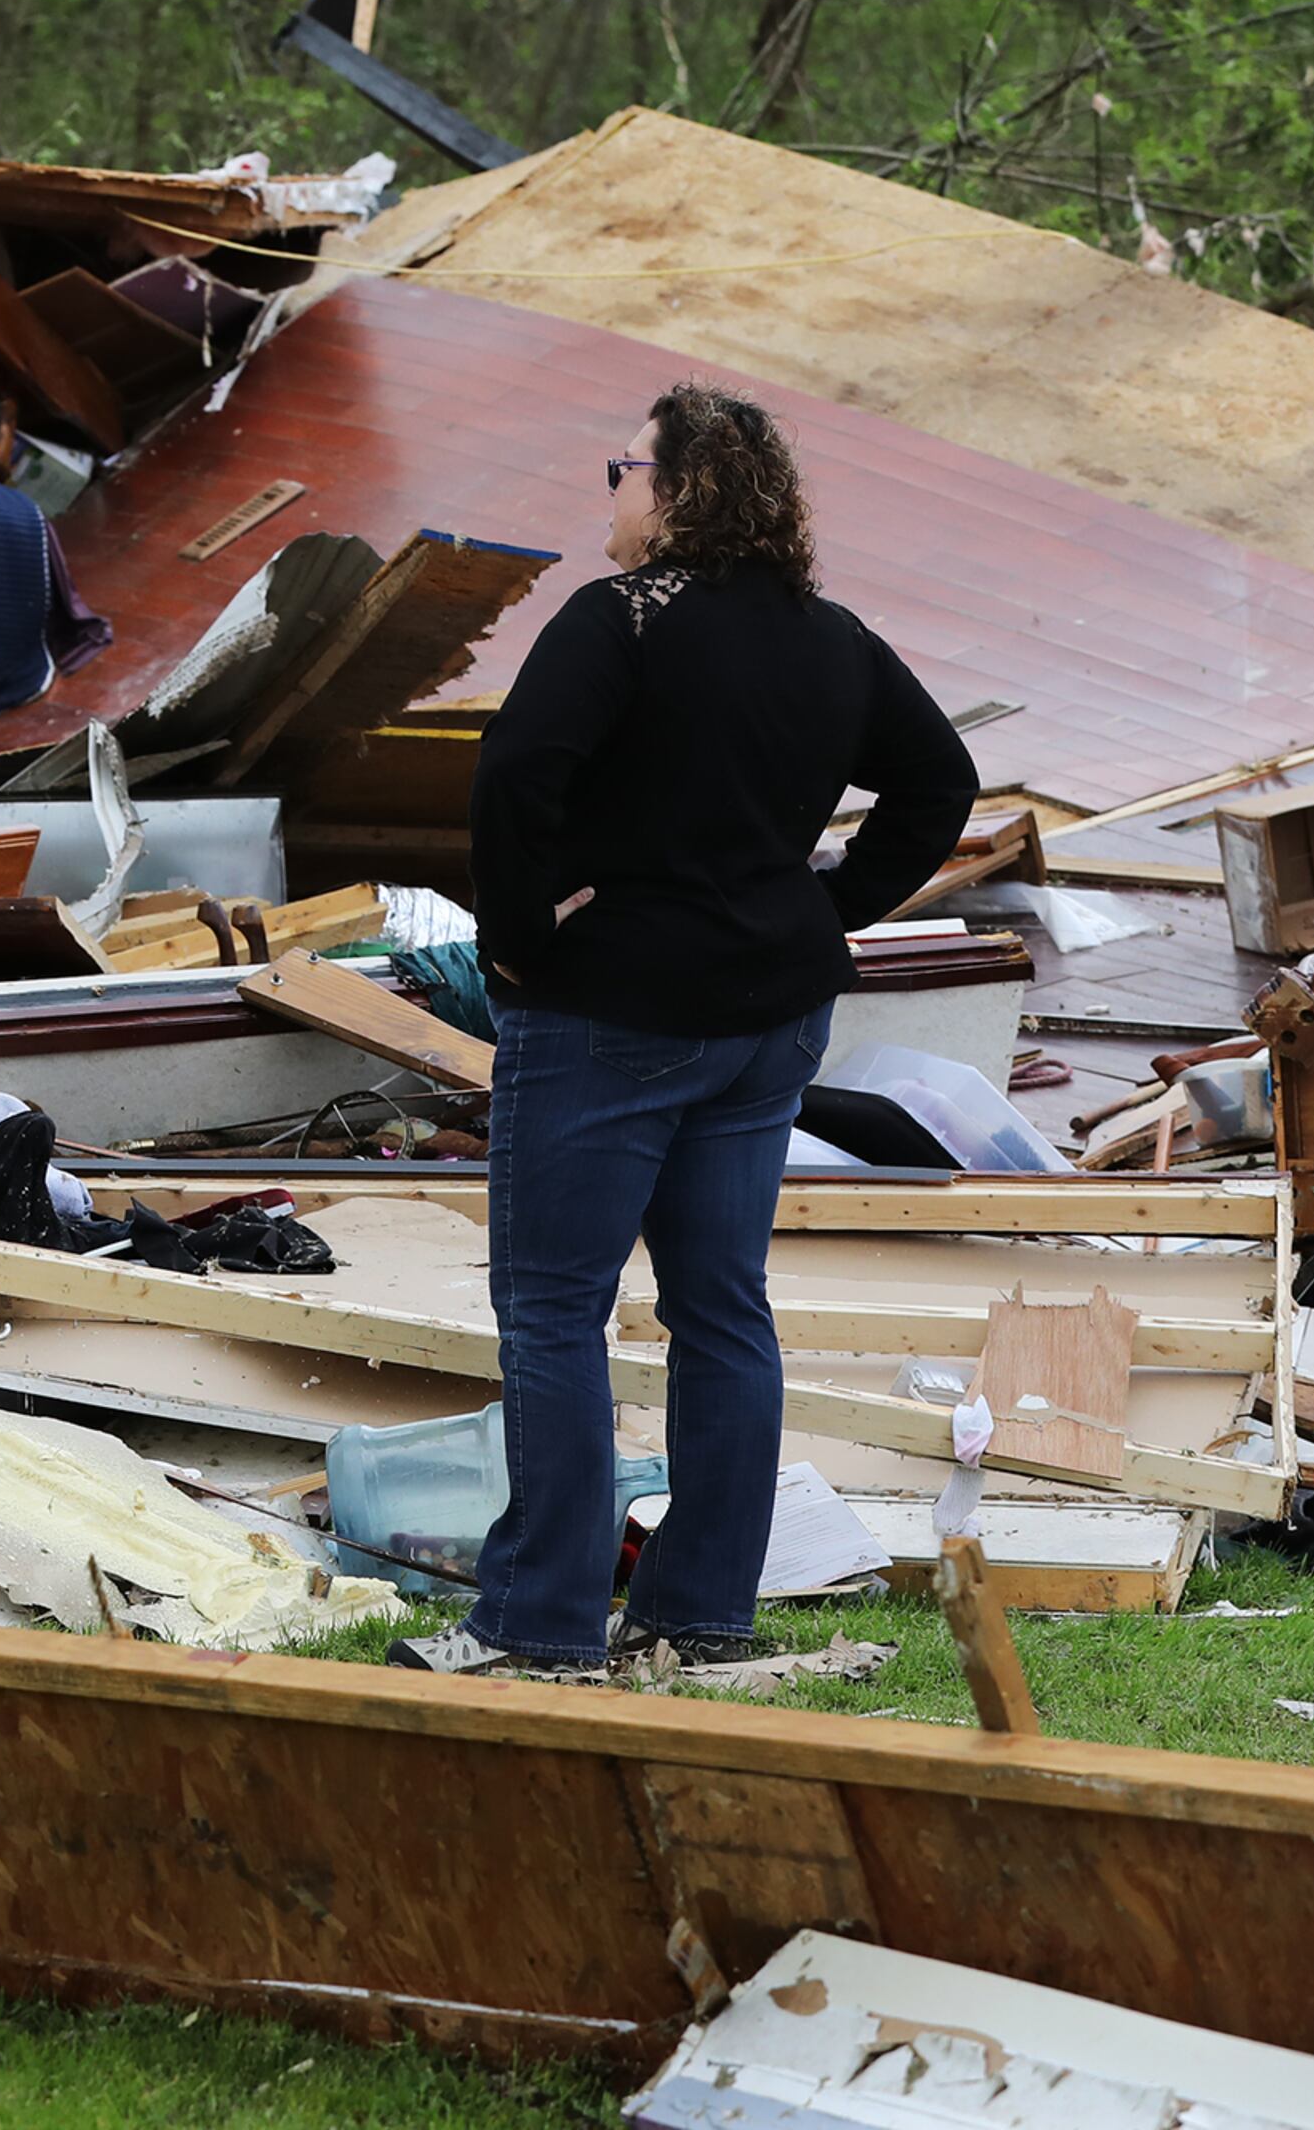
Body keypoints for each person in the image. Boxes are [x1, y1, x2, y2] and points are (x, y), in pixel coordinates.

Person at [394, 383, 976, 1676]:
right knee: (721, 1309)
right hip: (769, 1017)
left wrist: (520, 943)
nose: (612, 487)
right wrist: (827, 906)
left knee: (554, 1309)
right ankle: (697, 1611)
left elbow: (513, 773)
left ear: (680, 489)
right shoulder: (832, 638)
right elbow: (942, 782)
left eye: (625, 466)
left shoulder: (624, 621)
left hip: (616, 1008)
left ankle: (537, 1622)